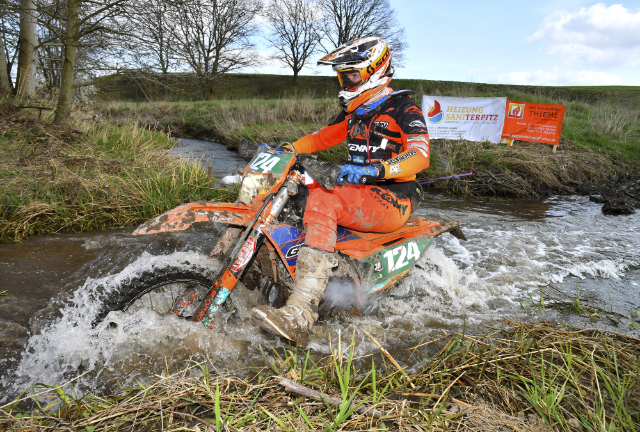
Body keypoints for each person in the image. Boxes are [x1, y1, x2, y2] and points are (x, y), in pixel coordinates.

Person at [251, 37, 430, 344]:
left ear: (375, 70)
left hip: (394, 198)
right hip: (360, 192)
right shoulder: (355, 112)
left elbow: (420, 155)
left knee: (324, 196)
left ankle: (301, 314)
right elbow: (319, 139)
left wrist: (377, 169)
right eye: (342, 75)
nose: (345, 80)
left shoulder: (403, 108)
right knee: (293, 192)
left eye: (351, 74)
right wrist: (288, 149)